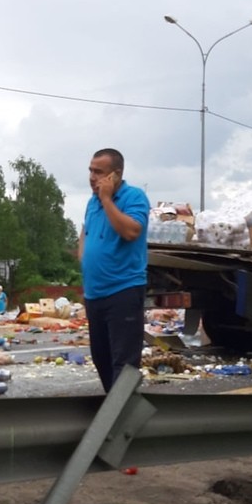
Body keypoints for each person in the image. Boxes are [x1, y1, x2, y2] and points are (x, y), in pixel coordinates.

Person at [79, 148, 149, 392]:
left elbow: (131, 231)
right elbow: (85, 235)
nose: (92, 176)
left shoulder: (134, 197)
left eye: (99, 172)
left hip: (123, 290)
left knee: (124, 364)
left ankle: (121, 419)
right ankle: (114, 412)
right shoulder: (91, 203)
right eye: (90, 170)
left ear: (116, 175)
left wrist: (107, 199)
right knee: (102, 359)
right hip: (95, 293)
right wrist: (84, 265)